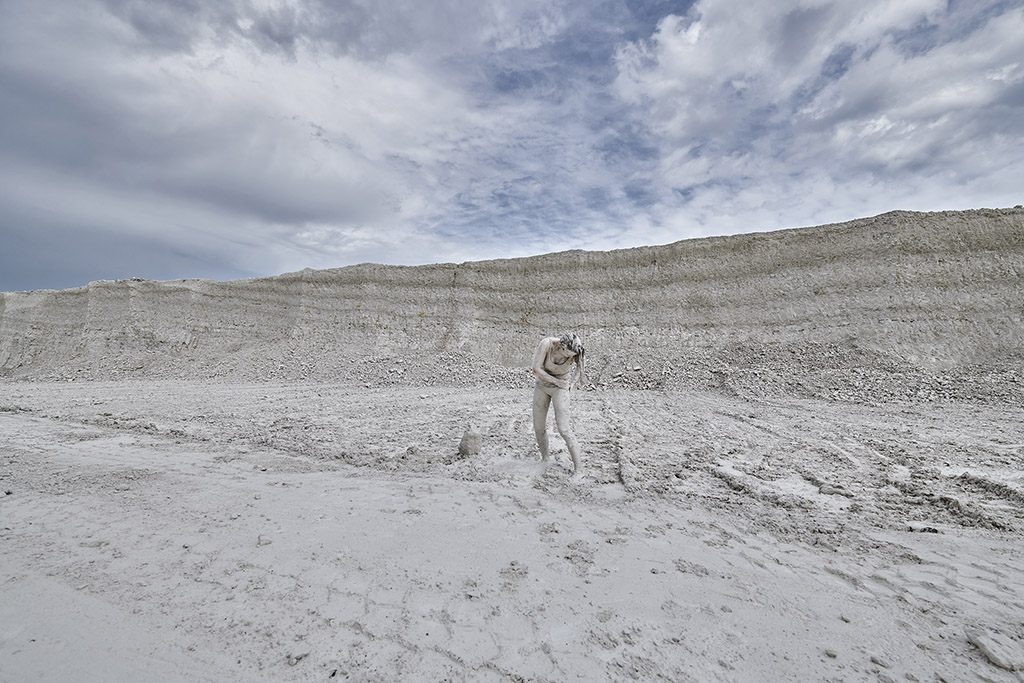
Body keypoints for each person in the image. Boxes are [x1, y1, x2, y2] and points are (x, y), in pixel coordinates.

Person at [531, 332, 586, 476]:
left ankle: (579, 469)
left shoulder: (574, 351)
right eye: (567, 354)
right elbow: (536, 369)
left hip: (560, 388)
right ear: (561, 346)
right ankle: (545, 459)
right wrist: (556, 382)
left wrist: (571, 385)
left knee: (563, 428)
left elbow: (580, 367)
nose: (570, 358)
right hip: (543, 386)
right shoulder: (547, 344)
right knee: (538, 426)